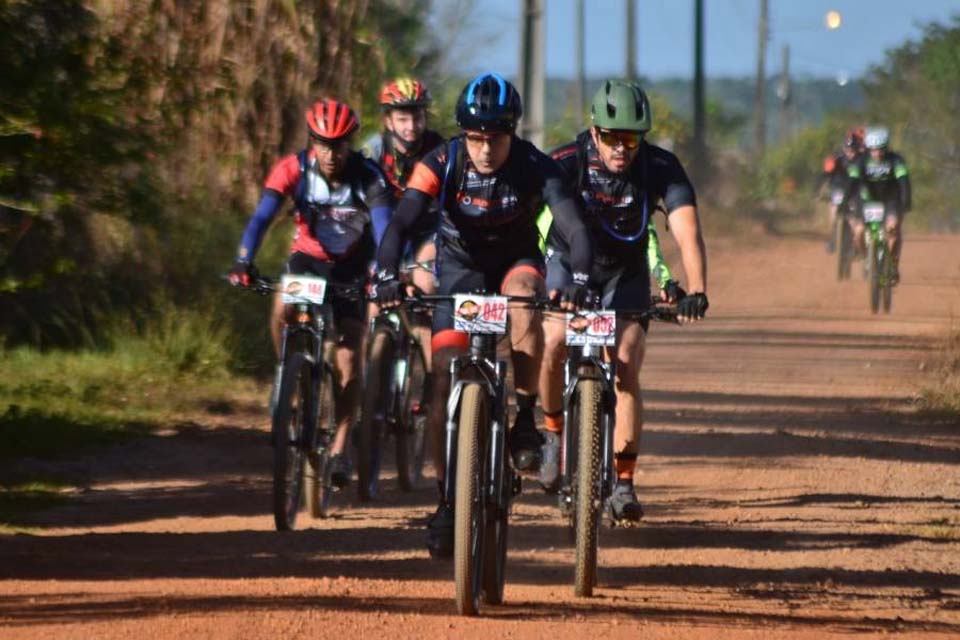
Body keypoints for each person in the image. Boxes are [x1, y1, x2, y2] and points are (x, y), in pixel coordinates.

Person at [374, 72, 594, 557]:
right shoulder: (441, 161)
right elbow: (402, 220)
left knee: (524, 299)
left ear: (511, 133)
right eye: (475, 137)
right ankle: (447, 502)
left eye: (495, 137)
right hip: (460, 267)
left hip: (515, 261)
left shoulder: (536, 165)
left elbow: (575, 228)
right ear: (462, 134)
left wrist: (578, 280)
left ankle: (523, 418)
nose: (485, 148)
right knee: (439, 386)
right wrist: (385, 272)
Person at [537, 80, 708, 523]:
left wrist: (697, 289)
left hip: (624, 271)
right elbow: (529, 215)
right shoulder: (566, 161)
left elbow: (686, 228)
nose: (621, 149)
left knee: (627, 362)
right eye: (612, 137)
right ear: (593, 132)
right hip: (566, 261)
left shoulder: (659, 166)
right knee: (554, 339)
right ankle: (553, 431)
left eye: (631, 138)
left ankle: (624, 483)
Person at [229, 98, 393, 488]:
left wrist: (386, 274)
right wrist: (243, 261)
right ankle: (288, 371)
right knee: (283, 302)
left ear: (350, 142)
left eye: (338, 144)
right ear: (312, 141)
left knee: (350, 353)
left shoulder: (369, 177)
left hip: (353, 265)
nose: (330, 153)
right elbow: (261, 218)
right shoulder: (293, 169)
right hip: (309, 258)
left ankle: (339, 445)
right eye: (322, 143)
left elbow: (386, 228)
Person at [363, 77, 445, 396]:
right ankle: (366, 392)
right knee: (373, 304)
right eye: (403, 118)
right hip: (383, 231)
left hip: (426, 231)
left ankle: (432, 381)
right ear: (388, 120)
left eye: (417, 116)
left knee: (424, 291)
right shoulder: (371, 151)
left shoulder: (440, 149)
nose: (411, 125)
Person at [842, 126, 911, 283]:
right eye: (873, 150)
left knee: (892, 230)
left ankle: (893, 264)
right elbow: (852, 182)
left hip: (890, 200)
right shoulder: (861, 161)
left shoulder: (896, 160)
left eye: (881, 150)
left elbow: (904, 182)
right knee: (859, 232)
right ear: (868, 149)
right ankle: (867, 259)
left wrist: (906, 201)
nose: (877, 153)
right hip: (868, 200)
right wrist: (845, 202)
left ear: (886, 148)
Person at [818, 128, 863, 253]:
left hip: (854, 192)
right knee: (834, 213)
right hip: (838, 190)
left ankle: (856, 243)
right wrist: (818, 191)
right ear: (843, 149)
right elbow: (825, 174)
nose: (850, 153)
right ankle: (833, 238)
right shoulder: (836, 159)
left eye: (853, 150)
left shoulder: (863, 160)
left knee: (854, 219)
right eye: (848, 150)